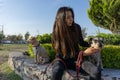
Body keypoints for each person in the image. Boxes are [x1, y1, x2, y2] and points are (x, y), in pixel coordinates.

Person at [51, 6, 101, 80]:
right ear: (61, 19)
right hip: (61, 60)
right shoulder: (56, 32)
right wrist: (83, 53)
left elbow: (81, 42)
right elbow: (62, 54)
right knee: (56, 72)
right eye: (68, 17)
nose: (71, 19)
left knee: (96, 71)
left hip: (75, 60)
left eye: (72, 16)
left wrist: (93, 45)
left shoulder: (77, 27)